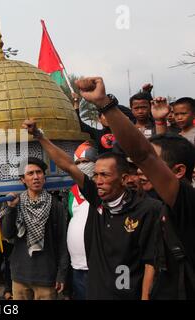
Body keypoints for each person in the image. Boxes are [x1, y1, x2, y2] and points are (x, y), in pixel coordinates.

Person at [75, 76, 195, 299]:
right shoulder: (157, 205)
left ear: (178, 172)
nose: (139, 171)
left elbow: (144, 154)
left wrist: (105, 104)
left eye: (151, 167)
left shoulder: (186, 203)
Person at [22, 119, 161, 300]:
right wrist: (39, 136)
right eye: (95, 175)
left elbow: (151, 263)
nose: (98, 180)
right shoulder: (97, 200)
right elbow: (69, 165)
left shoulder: (147, 209)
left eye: (104, 175)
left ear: (124, 178)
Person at [0, 157, 69, 300]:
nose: (35, 177)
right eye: (30, 174)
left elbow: (63, 241)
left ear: (44, 177)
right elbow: (7, 234)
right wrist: (11, 209)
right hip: (20, 277)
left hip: (46, 277)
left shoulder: (55, 205)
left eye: (39, 172)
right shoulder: (15, 203)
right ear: (22, 180)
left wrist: (62, 274)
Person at [66, 141, 97, 300]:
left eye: (85, 162)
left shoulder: (103, 189)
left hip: (97, 265)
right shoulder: (71, 192)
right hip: (76, 265)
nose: (81, 166)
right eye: (77, 163)